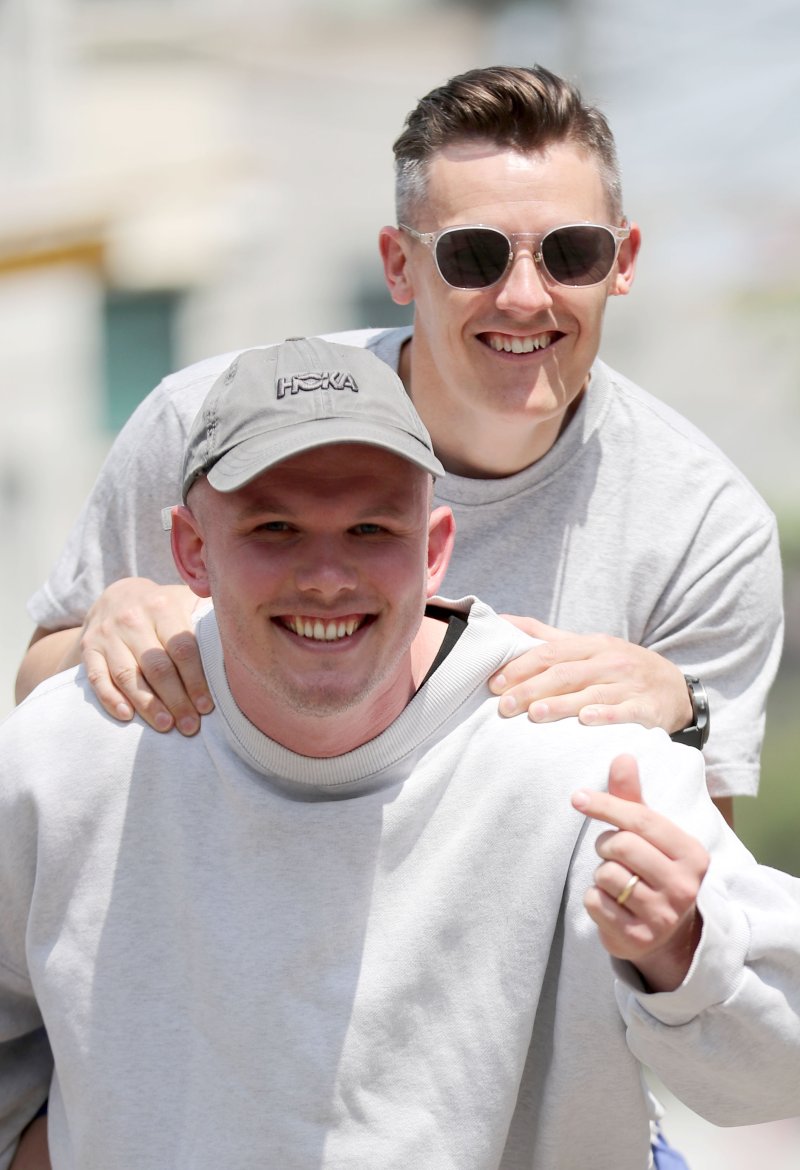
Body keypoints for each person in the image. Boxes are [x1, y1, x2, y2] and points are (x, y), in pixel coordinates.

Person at [2, 339, 799, 1170]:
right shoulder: (72, 755)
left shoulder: (590, 764)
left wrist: (680, 950)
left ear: (435, 547)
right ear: (190, 549)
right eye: (275, 527)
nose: (325, 575)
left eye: (370, 528)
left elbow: (775, 1075)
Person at [15, 65, 783, 828]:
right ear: (397, 264)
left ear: (623, 263)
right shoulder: (210, 427)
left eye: (571, 251)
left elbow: (691, 898)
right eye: (472, 256)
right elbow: (36, 696)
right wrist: (101, 634)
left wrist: (683, 716)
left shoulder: (702, 526)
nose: (523, 296)